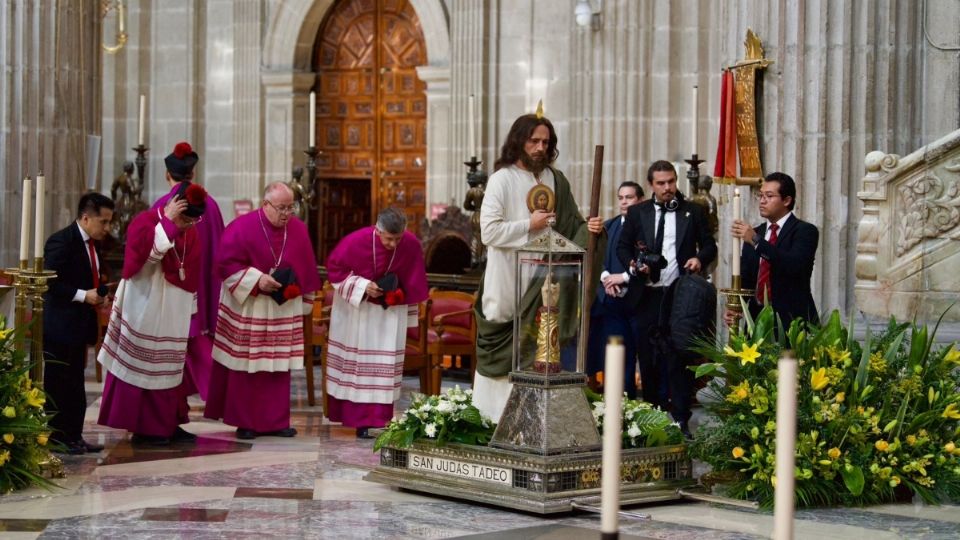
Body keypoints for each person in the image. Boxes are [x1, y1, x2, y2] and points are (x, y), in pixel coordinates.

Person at [473, 112, 604, 422]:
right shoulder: (501, 179)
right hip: (507, 275)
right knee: (504, 343)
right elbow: (488, 232)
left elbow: (573, 227)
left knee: (539, 346)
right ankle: (491, 419)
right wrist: (528, 225)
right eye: (534, 141)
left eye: (546, 142)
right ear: (519, 141)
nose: (540, 147)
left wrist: (592, 229)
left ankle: (529, 421)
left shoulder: (555, 180)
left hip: (547, 278)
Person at [205, 182, 321, 440]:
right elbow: (226, 265)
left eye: (291, 207)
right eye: (281, 208)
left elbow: (307, 268)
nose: (287, 213)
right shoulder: (241, 227)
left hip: (282, 309)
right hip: (252, 308)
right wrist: (257, 280)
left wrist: (300, 295)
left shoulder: (298, 230)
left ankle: (276, 421)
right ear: (265, 204)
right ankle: (246, 421)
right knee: (248, 366)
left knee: (278, 368)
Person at [97, 183, 207, 445]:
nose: (189, 225)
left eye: (194, 220)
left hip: (173, 310)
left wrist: (191, 310)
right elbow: (144, 257)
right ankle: (145, 428)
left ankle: (169, 424)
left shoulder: (189, 232)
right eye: (185, 218)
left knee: (170, 369)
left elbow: (191, 271)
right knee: (143, 366)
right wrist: (168, 223)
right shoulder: (145, 222)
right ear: (172, 207)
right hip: (144, 303)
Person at [616, 160, 716, 437]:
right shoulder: (638, 213)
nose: (668, 188)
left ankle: (681, 419)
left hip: (679, 297)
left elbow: (709, 244)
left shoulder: (692, 212)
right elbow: (623, 247)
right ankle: (652, 417)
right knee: (647, 360)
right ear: (651, 185)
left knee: (678, 358)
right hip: (646, 295)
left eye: (671, 181)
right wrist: (635, 265)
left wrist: (699, 258)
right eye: (661, 183)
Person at [324, 208, 429, 439]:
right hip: (358, 314)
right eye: (388, 239)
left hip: (389, 317)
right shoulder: (356, 241)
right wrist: (362, 285)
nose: (393, 244)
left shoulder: (409, 243)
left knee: (384, 369)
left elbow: (413, 278)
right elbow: (335, 269)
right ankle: (358, 420)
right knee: (359, 368)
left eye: (397, 239)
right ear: (377, 230)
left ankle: (380, 419)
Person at [151, 141, 225, 401]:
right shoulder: (212, 205)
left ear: (167, 175)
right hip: (203, 286)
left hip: (173, 288)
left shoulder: (162, 205)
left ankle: (212, 397)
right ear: (192, 175)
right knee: (199, 342)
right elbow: (220, 247)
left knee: (180, 347)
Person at [42, 193, 115, 454]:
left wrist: (99, 298)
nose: (107, 228)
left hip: (79, 326)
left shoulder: (93, 245)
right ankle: (56, 438)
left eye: (109, 223)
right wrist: (85, 296)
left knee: (75, 384)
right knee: (58, 384)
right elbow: (51, 282)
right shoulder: (61, 241)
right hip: (60, 326)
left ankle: (74, 436)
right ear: (86, 218)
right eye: (103, 222)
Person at [727, 171, 819, 329]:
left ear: (787, 200)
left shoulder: (805, 231)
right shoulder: (756, 233)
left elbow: (793, 265)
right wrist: (736, 306)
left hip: (792, 320)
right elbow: (748, 278)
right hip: (758, 320)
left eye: (769, 196)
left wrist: (756, 242)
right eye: (760, 196)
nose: (762, 201)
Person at [586, 181, 644, 397]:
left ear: (640, 200)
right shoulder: (609, 226)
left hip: (637, 300)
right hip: (610, 303)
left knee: (636, 356)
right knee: (614, 355)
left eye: (629, 197)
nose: (624, 202)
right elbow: (596, 256)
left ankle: (635, 403)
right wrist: (606, 278)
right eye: (621, 198)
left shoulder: (645, 228)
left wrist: (625, 279)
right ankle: (615, 402)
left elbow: (646, 259)